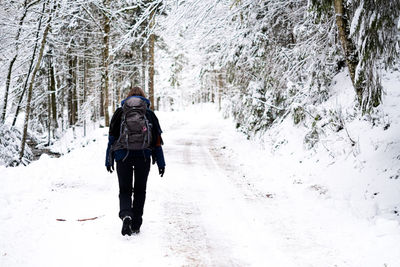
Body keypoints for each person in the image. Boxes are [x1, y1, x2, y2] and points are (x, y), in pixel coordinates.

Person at [105, 86, 165, 236]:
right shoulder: (149, 114)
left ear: (128, 98)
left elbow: (111, 138)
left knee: (125, 190)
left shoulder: (120, 113)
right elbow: (157, 140)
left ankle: (126, 215)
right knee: (140, 190)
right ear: (144, 98)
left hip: (122, 156)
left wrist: (109, 159)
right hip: (143, 156)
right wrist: (161, 162)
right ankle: (136, 223)